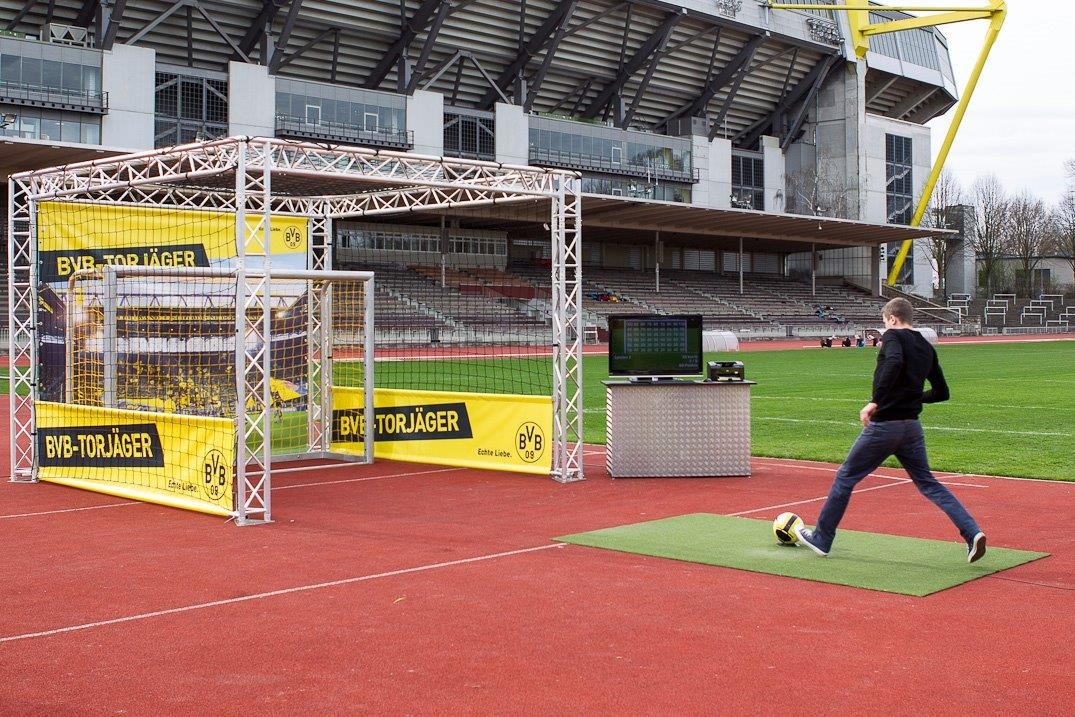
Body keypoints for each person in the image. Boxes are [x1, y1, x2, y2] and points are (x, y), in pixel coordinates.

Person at [795, 297, 986, 563]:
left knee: (845, 477)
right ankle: (972, 533)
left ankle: (822, 538)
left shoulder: (893, 337)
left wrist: (876, 401)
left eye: (885, 322)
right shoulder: (926, 346)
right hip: (912, 427)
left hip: (885, 426)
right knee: (928, 483)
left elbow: (894, 362)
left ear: (893, 319)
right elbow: (942, 392)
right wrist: (914, 398)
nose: (885, 327)